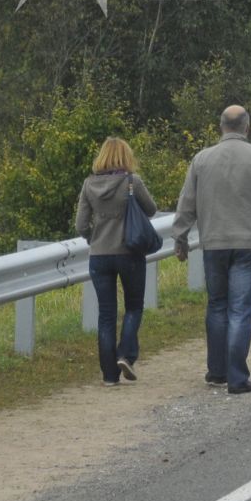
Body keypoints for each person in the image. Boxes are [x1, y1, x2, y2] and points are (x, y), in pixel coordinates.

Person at [171, 106, 251, 395]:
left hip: (214, 240)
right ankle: (237, 377)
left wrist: (179, 237)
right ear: (247, 127)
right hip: (250, 241)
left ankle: (217, 372)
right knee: (240, 310)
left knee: (217, 305)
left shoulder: (201, 159)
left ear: (221, 127)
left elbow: (186, 202)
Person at [75, 137, 157, 386]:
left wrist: (94, 238)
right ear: (126, 156)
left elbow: (80, 225)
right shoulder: (132, 182)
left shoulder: (88, 185)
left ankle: (109, 375)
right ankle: (126, 354)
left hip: (99, 256)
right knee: (134, 306)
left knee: (106, 314)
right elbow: (151, 209)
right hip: (130, 253)